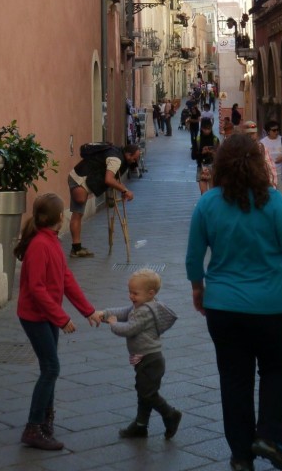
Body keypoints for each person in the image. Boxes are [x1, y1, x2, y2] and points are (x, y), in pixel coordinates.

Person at [186, 133, 282, 471]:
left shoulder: (207, 204)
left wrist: (198, 290)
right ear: (258, 164)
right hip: (271, 307)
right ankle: (268, 434)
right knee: (279, 369)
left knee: (234, 380)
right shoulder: (273, 201)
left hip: (223, 307)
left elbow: (193, 258)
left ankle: (240, 457)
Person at [15, 193, 100, 450]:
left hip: (46, 316)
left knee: (49, 368)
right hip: (35, 316)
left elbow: (66, 279)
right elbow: (37, 288)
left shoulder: (51, 241)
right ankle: (34, 427)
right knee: (51, 368)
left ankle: (45, 422)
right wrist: (61, 318)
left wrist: (89, 311)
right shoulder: (40, 245)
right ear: (59, 218)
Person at [94, 269, 182, 440]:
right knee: (144, 391)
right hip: (145, 358)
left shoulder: (145, 311)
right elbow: (123, 312)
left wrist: (112, 323)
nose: (131, 296)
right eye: (130, 292)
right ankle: (141, 425)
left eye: (135, 293)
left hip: (150, 359)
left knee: (148, 393)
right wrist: (104, 313)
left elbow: (129, 328)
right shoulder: (140, 306)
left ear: (150, 294)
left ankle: (170, 414)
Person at [68, 142, 140, 257]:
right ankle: (76, 249)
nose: (134, 161)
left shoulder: (117, 153)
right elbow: (109, 180)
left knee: (78, 214)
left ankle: (76, 248)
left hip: (78, 177)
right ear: (128, 154)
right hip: (78, 179)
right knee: (78, 212)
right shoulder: (116, 159)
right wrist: (125, 190)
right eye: (134, 158)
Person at [259, 120, 282, 195]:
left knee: (281, 195)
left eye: (278, 130)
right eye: (274, 130)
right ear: (268, 131)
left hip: (280, 173)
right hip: (268, 174)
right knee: (269, 194)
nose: (276, 132)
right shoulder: (263, 142)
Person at [195, 117, 219, 194]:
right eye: (205, 128)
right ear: (201, 128)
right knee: (203, 193)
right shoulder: (198, 139)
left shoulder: (215, 139)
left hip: (213, 167)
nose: (207, 131)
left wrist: (213, 153)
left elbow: (220, 156)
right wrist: (201, 152)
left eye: (209, 128)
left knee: (212, 192)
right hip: (201, 167)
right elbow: (193, 156)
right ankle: (205, 205)